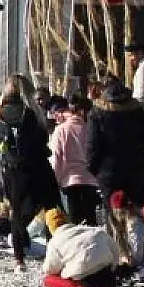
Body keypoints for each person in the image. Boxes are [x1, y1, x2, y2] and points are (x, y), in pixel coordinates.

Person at [0, 74, 62, 271]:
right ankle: (54, 249)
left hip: (12, 169)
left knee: (16, 213)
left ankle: (19, 259)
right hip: (36, 166)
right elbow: (39, 140)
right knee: (51, 205)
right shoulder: (31, 113)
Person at [87, 77, 144, 209]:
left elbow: (93, 143)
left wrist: (93, 168)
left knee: (113, 213)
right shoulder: (137, 109)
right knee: (137, 211)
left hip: (108, 170)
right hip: (136, 168)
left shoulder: (97, 111)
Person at [42, 208, 122, 287]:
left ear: (50, 227)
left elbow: (50, 269)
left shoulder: (55, 242)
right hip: (110, 282)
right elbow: (115, 252)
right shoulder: (95, 230)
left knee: (48, 280)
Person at [50, 95, 99, 226]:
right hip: (90, 180)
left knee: (74, 222)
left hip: (70, 181)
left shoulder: (61, 130)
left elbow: (56, 158)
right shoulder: (91, 129)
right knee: (90, 220)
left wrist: (55, 181)